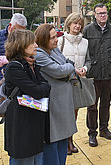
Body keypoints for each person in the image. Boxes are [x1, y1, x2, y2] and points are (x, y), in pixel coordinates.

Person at [4, 29, 51, 164]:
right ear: (22, 45)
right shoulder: (14, 67)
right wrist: (43, 88)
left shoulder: (31, 64)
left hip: (34, 122)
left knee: (36, 158)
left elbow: (45, 86)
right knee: (23, 158)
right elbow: (39, 90)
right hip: (21, 124)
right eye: (33, 42)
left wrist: (42, 88)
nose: (36, 45)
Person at [34, 24, 78, 165]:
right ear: (42, 39)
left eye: (56, 36)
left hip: (63, 103)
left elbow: (65, 64)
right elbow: (59, 70)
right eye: (52, 37)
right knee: (52, 141)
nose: (56, 40)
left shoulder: (53, 50)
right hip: (53, 104)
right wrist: (70, 68)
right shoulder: (39, 54)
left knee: (63, 139)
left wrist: (67, 68)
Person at [83, 3, 111, 147]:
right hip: (93, 73)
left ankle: (104, 129)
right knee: (92, 105)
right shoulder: (88, 31)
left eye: (104, 13)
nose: (102, 15)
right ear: (95, 15)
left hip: (110, 73)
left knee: (106, 103)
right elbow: (83, 51)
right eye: (99, 13)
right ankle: (92, 133)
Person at [57, 12, 91, 155]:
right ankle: (65, 141)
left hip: (78, 83)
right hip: (64, 83)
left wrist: (85, 68)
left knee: (74, 114)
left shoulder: (85, 42)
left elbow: (89, 60)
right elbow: (55, 62)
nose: (77, 26)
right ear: (69, 24)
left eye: (79, 24)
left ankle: (70, 140)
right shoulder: (61, 41)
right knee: (64, 113)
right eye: (74, 23)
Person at [0, 13, 27, 81]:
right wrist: (5, 59)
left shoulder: (25, 38)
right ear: (10, 25)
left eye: (23, 31)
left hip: (19, 78)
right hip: (1, 79)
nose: (20, 34)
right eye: (17, 31)